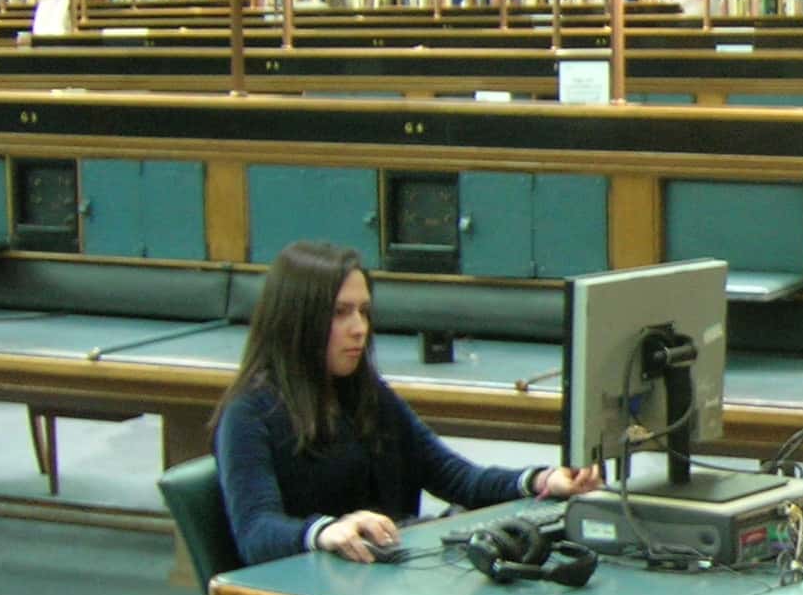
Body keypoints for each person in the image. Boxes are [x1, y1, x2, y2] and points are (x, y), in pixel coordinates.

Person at [213, 240, 600, 564]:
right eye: (340, 313)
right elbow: (256, 532)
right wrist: (326, 531)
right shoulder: (249, 412)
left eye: (364, 312)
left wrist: (540, 480)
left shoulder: (367, 393)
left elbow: (458, 478)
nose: (359, 328)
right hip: (308, 593)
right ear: (297, 320)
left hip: (380, 581)